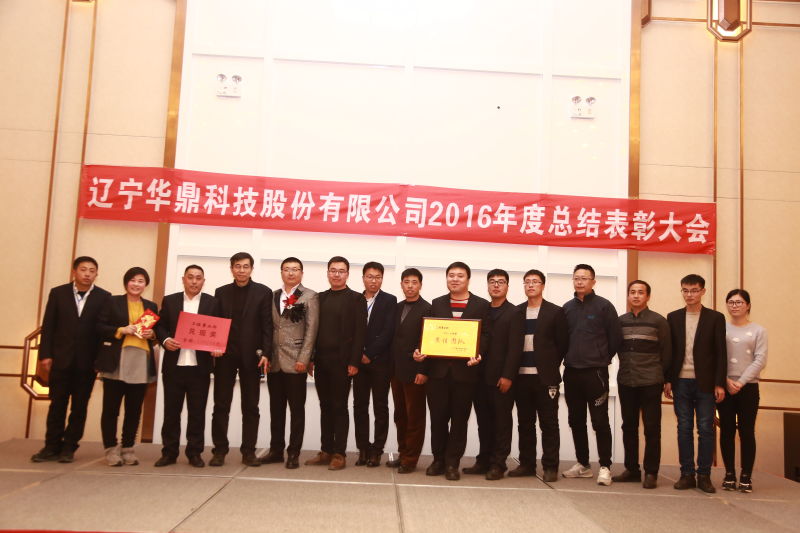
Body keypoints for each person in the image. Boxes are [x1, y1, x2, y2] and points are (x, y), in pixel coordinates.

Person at [414, 261, 489, 481]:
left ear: (468, 279)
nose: (455, 279)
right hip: (437, 374)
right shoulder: (437, 303)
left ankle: (452, 463)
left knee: (459, 420)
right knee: (437, 419)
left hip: (465, 374)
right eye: (451, 275)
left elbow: (486, 335)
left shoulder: (481, 305)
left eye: (460, 276)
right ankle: (438, 460)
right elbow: (428, 335)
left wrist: (479, 353)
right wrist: (421, 354)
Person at [31, 257, 111, 463]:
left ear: (96, 274)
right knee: (57, 405)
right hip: (60, 359)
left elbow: (103, 333)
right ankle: (51, 446)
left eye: (92, 270)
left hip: (87, 363)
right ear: (74, 271)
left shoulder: (104, 297)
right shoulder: (58, 293)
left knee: (79, 407)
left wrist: (100, 361)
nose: (87, 274)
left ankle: (69, 447)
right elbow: (48, 326)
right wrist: (45, 355)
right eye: (83, 269)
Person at [665, 274, 726, 494]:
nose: (689, 294)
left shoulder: (715, 318)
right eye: (685, 290)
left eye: (694, 290)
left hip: (706, 383)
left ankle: (704, 476)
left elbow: (721, 352)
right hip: (680, 381)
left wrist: (719, 383)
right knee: (683, 428)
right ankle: (687, 474)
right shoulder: (673, 317)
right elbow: (670, 351)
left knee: (706, 429)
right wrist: (668, 379)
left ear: (703, 291)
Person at [562, 264, 622, 486]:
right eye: (576, 278)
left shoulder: (604, 306)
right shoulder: (567, 308)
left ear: (593, 282)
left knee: (600, 421)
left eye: (584, 278)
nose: (580, 281)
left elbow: (615, 338)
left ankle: (605, 466)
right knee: (575, 420)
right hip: (571, 372)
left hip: (596, 372)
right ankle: (583, 464)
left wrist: (600, 357)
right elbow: (561, 339)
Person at [211, 252, 273, 467]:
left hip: (252, 357)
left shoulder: (263, 292)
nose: (241, 270)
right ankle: (219, 451)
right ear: (231, 269)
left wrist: (266, 353)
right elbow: (215, 323)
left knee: (251, 406)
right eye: (237, 266)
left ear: (251, 269)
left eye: (246, 266)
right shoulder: (221, 292)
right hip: (225, 356)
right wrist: (214, 346)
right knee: (221, 405)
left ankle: (249, 452)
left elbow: (267, 325)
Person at [305, 256, 367, 470]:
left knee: (340, 407)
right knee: (325, 406)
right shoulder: (320, 298)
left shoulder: (356, 299)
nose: (337, 274)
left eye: (341, 271)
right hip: (321, 361)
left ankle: (339, 453)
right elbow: (312, 331)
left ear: (347, 274)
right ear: (328, 273)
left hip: (343, 363)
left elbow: (360, 333)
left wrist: (354, 361)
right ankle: (326, 450)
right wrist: (311, 359)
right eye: (333, 270)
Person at [154, 265, 218, 468]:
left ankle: (194, 453)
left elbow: (219, 329)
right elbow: (160, 325)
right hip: (174, 367)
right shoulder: (170, 300)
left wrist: (217, 347)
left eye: (198, 278)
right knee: (171, 413)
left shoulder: (212, 302)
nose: (194, 281)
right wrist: (165, 340)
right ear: (183, 279)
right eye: (190, 277)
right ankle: (169, 452)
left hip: (200, 368)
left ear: (203, 281)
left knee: (197, 413)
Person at [95, 267, 158, 467]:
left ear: (145, 285)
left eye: (141, 281)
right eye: (133, 280)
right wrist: (121, 330)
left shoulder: (151, 306)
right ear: (126, 282)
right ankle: (111, 449)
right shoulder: (112, 302)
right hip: (117, 359)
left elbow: (155, 334)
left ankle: (128, 448)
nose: (136, 284)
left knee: (134, 409)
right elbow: (99, 327)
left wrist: (152, 335)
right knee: (111, 409)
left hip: (140, 360)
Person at [510, 269, 568, 482]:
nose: (531, 285)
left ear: (543, 285)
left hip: (545, 378)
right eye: (527, 282)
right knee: (525, 423)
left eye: (535, 281)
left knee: (549, 423)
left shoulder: (555, 312)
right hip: (521, 376)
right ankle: (526, 464)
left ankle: (550, 467)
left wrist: (549, 365)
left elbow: (562, 344)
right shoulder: (517, 311)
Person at [465, 269, 523, 480]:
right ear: (487, 286)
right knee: (484, 422)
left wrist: (508, 376)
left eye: (501, 282)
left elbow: (515, 348)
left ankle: (499, 464)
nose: (496, 285)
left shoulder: (515, 312)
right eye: (492, 282)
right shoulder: (482, 309)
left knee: (501, 423)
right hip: (479, 377)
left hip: (501, 378)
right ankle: (484, 460)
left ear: (507, 286)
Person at [261, 257, 319, 469]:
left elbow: (312, 330)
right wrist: (266, 354)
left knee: (296, 410)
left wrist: (304, 358)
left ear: (301, 273)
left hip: (296, 362)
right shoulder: (273, 295)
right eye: (287, 269)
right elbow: (269, 328)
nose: (291, 273)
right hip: (274, 362)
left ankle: (294, 452)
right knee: (276, 410)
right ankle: (276, 450)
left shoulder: (309, 296)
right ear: (281, 272)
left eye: (295, 269)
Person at [613, 280, 671, 489]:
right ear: (628, 296)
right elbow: (614, 347)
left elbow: (667, 352)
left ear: (648, 296)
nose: (636, 296)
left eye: (640, 292)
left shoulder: (658, 321)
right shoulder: (620, 321)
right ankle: (632, 470)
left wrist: (667, 379)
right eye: (632, 292)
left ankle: (651, 472)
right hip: (626, 380)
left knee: (652, 428)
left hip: (651, 381)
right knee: (628, 426)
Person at [719, 289, 767, 493]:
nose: (735, 305)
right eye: (731, 302)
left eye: (739, 302)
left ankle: (746, 475)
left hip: (748, 387)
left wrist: (741, 382)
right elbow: (714, 357)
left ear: (748, 305)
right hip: (724, 386)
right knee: (726, 430)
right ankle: (729, 474)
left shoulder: (758, 330)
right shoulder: (720, 328)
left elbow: (760, 359)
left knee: (747, 432)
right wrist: (726, 381)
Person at [387, 268, 431, 474]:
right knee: (400, 415)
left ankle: (411, 460)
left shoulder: (428, 309)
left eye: (414, 282)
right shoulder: (396, 307)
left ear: (420, 285)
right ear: (402, 285)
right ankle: (403, 453)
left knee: (415, 417)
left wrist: (423, 370)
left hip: (415, 372)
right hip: (396, 371)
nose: (410, 286)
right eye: (406, 282)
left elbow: (429, 343)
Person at [353, 262, 397, 467]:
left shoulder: (389, 300)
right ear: (363, 278)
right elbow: (349, 330)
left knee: (380, 407)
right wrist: (358, 355)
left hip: (380, 363)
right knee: (360, 406)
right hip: (358, 363)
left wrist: (369, 354)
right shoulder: (355, 299)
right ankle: (363, 448)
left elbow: (389, 331)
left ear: (382, 279)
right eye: (370, 276)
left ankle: (377, 450)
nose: (373, 280)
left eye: (377, 277)